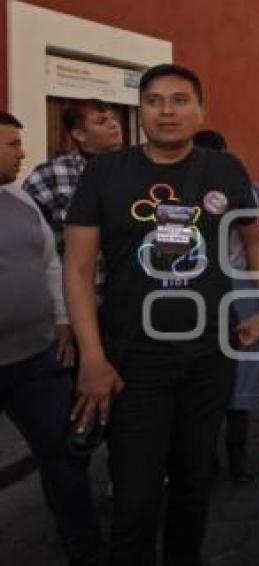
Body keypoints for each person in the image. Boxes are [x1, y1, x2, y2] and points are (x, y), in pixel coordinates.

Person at [63, 64, 259, 566]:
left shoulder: (225, 170)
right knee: (134, 499)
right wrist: (92, 356)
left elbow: (255, 237)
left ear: (200, 109)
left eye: (179, 100)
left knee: (194, 483)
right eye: (155, 101)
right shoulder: (107, 172)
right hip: (134, 359)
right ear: (142, 111)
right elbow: (77, 267)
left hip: (209, 356)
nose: (167, 111)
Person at [0, 111, 102, 566]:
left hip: (36, 358)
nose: (22, 152)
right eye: (11, 144)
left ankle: (85, 549)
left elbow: (51, 265)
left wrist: (63, 321)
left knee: (65, 455)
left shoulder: (20, 203)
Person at [193, 128, 259, 480]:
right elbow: (258, 239)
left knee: (223, 372)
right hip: (241, 286)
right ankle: (234, 459)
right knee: (241, 374)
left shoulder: (192, 189)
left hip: (204, 288)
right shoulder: (244, 186)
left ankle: (215, 457)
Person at [23, 99, 123, 257]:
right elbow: (23, 236)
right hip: (72, 276)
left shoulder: (133, 168)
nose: (114, 124)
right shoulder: (51, 174)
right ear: (79, 134)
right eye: (101, 121)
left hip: (125, 277)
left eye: (113, 118)